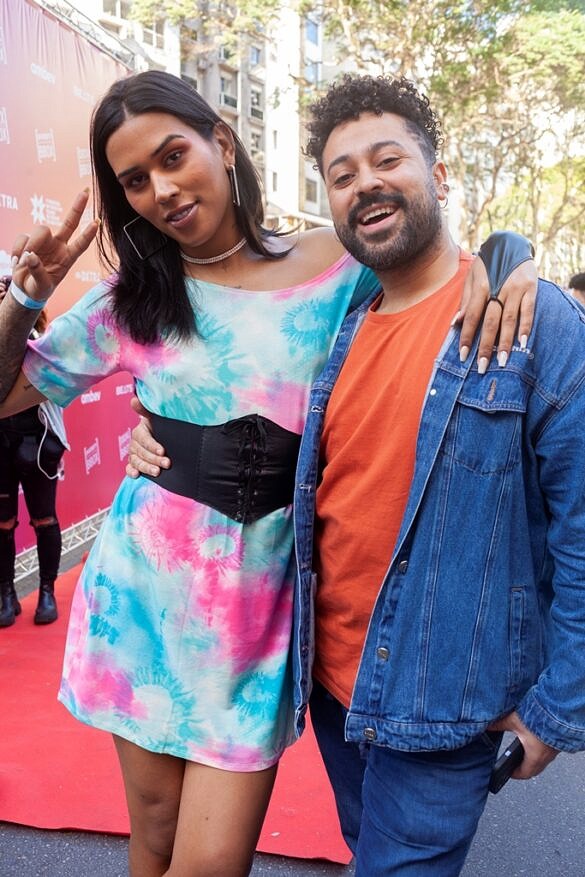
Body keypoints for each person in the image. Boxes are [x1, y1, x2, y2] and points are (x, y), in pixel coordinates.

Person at [0, 70, 535, 877]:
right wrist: (24, 295)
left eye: (172, 156)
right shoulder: (133, 298)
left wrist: (509, 252)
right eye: (135, 180)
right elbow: (9, 392)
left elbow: (429, 269)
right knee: (153, 835)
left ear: (220, 141)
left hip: (257, 613)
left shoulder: (336, 263)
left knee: (212, 860)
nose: (161, 189)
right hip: (141, 600)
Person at [0, 275, 68, 628]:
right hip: (1, 444)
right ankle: (5, 593)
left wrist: (19, 309)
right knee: (2, 523)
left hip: (37, 441)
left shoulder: (42, 339)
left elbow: (55, 382)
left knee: (44, 519)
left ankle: (47, 591)